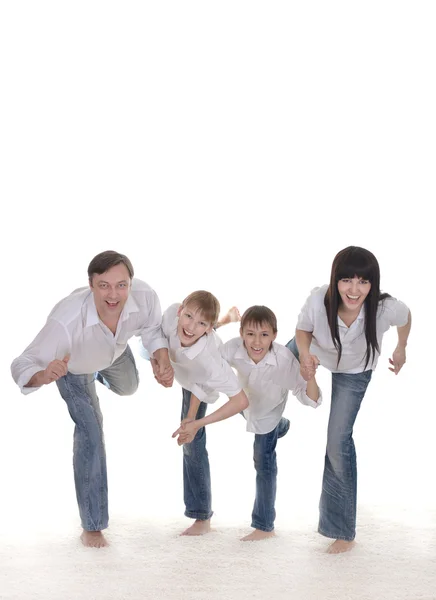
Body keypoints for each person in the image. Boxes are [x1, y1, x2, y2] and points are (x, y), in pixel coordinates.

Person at [11, 250, 173, 548]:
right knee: (92, 432)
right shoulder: (65, 322)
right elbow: (21, 364)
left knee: (129, 388)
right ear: (91, 284)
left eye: (121, 285)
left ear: (130, 283)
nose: (114, 294)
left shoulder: (145, 295)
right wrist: (44, 375)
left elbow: (151, 329)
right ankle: (93, 525)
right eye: (104, 286)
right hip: (72, 368)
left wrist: (161, 358)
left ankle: (100, 370)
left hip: (115, 350)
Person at [287, 246, 411, 554]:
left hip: (354, 370)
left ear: (372, 284)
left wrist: (401, 347)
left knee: (337, 441)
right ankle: (270, 424)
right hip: (315, 350)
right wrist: (304, 355)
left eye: (363, 282)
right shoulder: (318, 298)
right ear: (335, 280)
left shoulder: (384, 308)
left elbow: (406, 317)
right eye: (346, 281)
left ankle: (341, 529)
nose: (354, 290)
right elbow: (302, 330)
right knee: (265, 370)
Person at [217, 305, 321, 541]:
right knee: (256, 417)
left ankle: (264, 526)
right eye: (250, 334)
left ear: (274, 336)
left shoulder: (284, 360)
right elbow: (211, 361)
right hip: (245, 406)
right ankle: (283, 427)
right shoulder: (232, 348)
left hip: (269, 412)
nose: (256, 341)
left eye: (264, 335)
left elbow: (311, 399)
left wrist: (311, 376)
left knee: (263, 461)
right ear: (241, 332)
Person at [150, 292, 248, 536]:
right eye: (189, 316)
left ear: (207, 329)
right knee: (190, 429)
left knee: (193, 441)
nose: (191, 327)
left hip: (201, 378)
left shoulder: (211, 362)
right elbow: (155, 339)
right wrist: (158, 365)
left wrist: (195, 421)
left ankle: (201, 517)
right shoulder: (171, 315)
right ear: (180, 310)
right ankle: (225, 319)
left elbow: (239, 400)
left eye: (202, 324)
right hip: (187, 371)